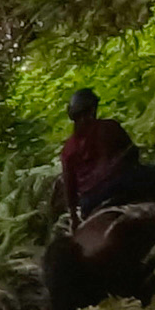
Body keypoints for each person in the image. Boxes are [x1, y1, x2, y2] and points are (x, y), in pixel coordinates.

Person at [57, 88, 141, 221]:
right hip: (120, 185)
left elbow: (70, 188)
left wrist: (74, 218)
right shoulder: (109, 127)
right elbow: (132, 153)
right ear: (92, 110)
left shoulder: (68, 149)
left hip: (89, 202)